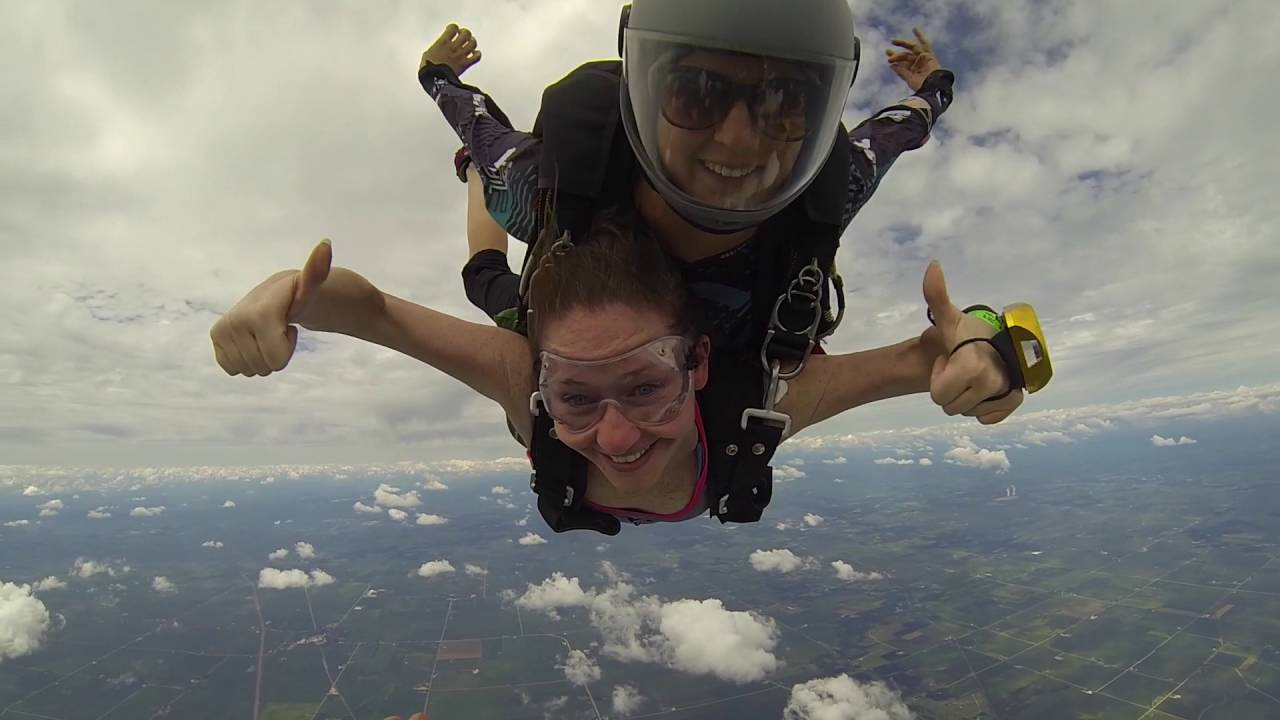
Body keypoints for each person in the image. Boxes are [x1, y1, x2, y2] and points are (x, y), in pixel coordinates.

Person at [210, 172, 1023, 535]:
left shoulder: (763, 399)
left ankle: (481, 184)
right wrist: (290, 291)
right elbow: (375, 312)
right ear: (545, 383)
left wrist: (988, 352)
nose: (618, 436)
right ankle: (474, 175)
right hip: (539, 320)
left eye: (646, 386)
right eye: (576, 399)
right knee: (488, 277)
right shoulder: (521, 371)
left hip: (547, 323)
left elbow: (939, 353)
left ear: (699, 363)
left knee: (491, 280)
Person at [418, 6, 957, 367]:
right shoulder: (555, 191)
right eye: (696, 93)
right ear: (646, 98)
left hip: (721, 348)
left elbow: (895, 131)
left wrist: (935, 88)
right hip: (576, 278)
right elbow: (480, 127)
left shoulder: (821, 195)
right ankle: (470, 174)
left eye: (788, 101)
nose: (740, 139)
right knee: (485, 271)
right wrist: (438, 77)